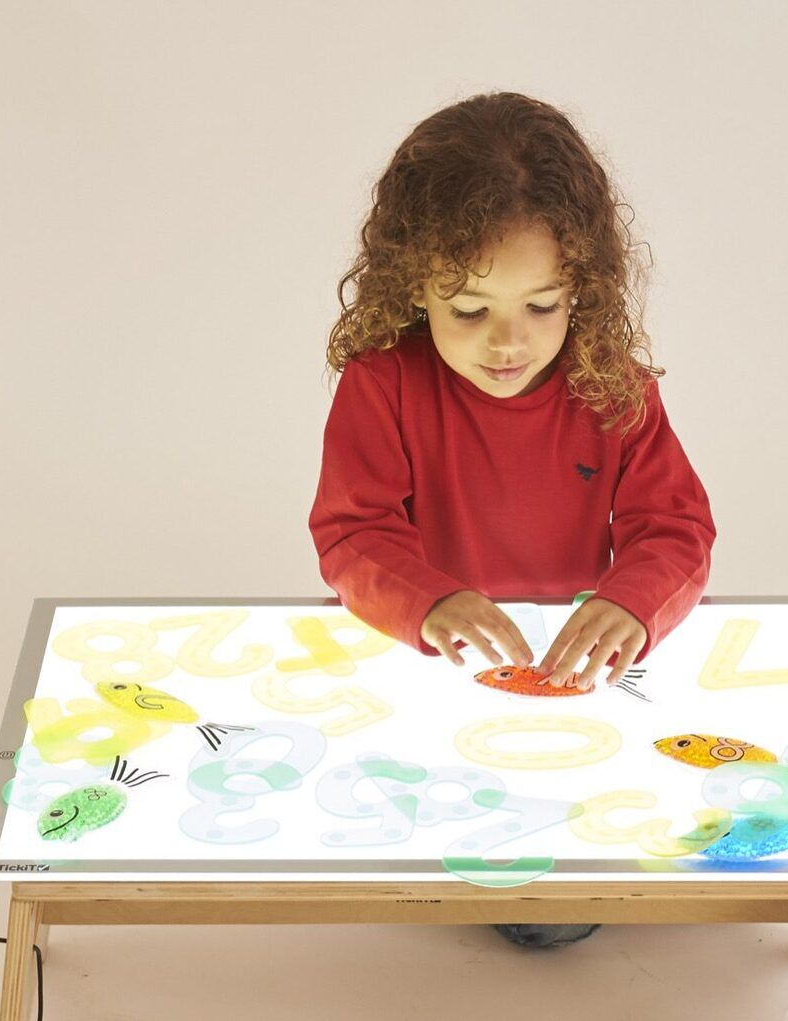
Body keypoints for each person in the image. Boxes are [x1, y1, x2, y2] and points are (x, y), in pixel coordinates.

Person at [308, 91, 718, 950]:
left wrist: (633, 603)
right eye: (469, 309)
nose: (508, 342)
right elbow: (352, 533)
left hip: (574, 676)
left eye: (543, 305)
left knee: (550, 918)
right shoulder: (382, 383)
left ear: (582, 288)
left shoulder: (610, 382)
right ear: (413, 284)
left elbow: (677, 528)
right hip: (428, 666)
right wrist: (429, 602)